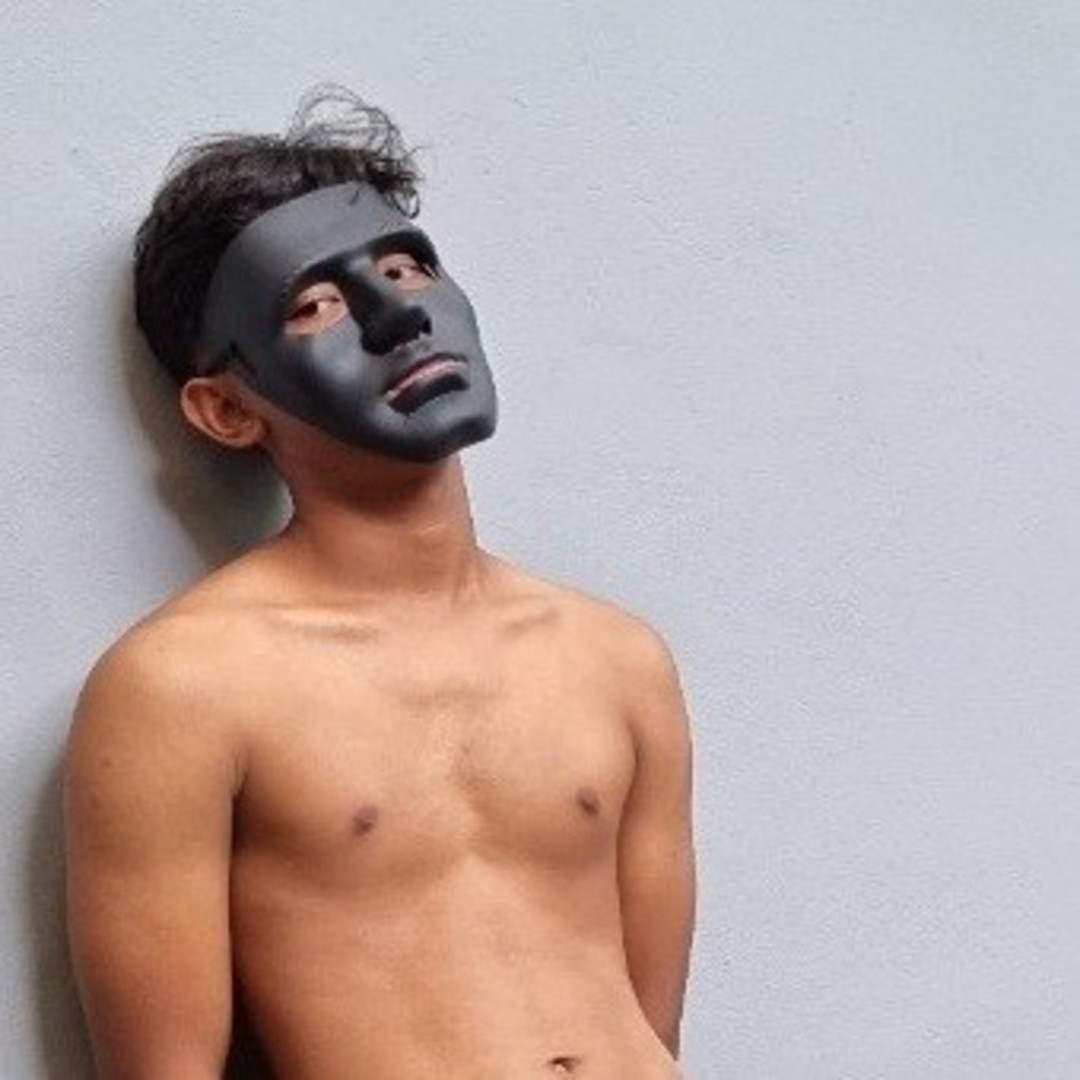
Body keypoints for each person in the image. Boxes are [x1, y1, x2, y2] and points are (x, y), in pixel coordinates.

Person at [64, 89, 695, 1079]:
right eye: (315, 306)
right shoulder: (183, 688)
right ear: (227, 410)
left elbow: (655, 1034)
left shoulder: (618, 660)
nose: (400, 316)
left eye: (408, 268)